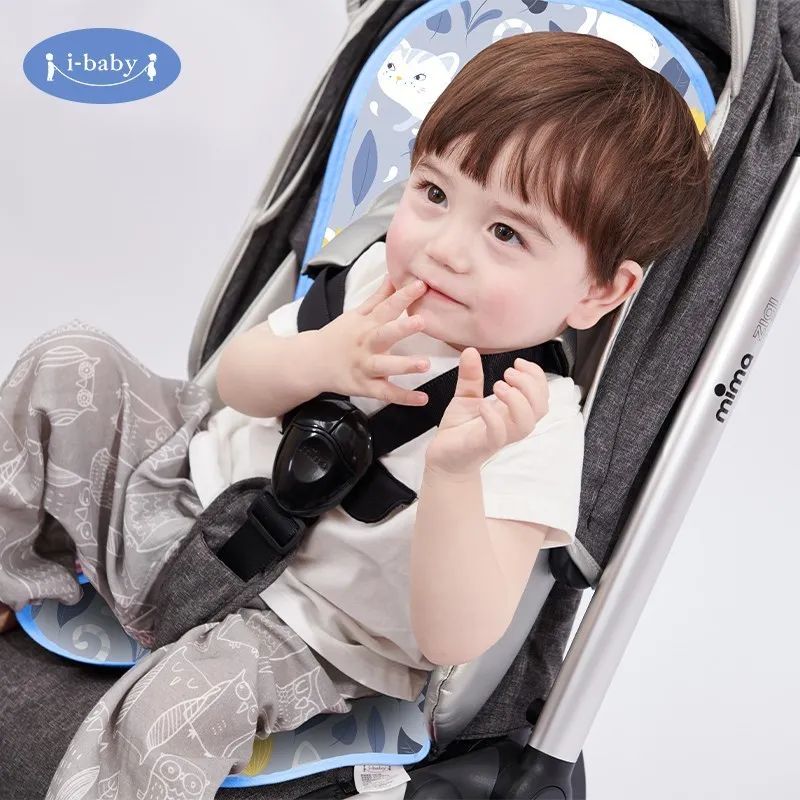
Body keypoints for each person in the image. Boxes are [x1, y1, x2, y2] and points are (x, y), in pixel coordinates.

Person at [0, 31, 710, 799]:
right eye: (434, 194)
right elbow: (234, 384)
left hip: (303, 633)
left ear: (599, 292)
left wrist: (454, 474)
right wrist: (319, 359)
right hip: (179, 505)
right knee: (69, 359)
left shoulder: (531, 426)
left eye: (506, 233)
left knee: (177, 711)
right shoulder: (372, 280)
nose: (445, 248)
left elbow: (455, 637)